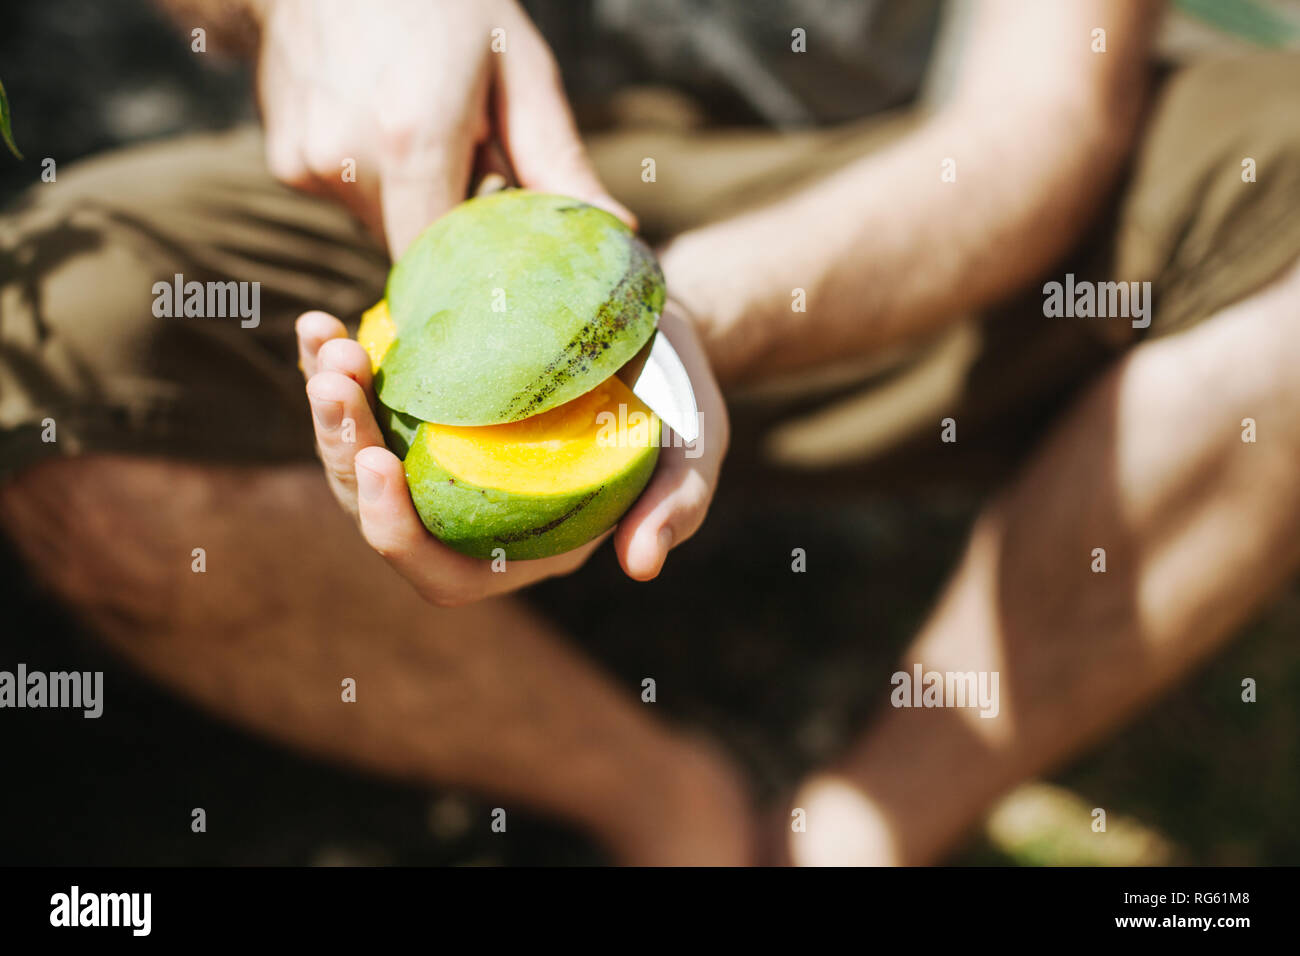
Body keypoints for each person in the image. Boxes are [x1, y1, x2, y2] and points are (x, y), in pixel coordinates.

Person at [2, 0, 1298, 865]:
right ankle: (677, 815)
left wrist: (686, 317)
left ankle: (856, 833)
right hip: (440, 214)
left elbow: (1039, 129)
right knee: (51, 339)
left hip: (873, 188)